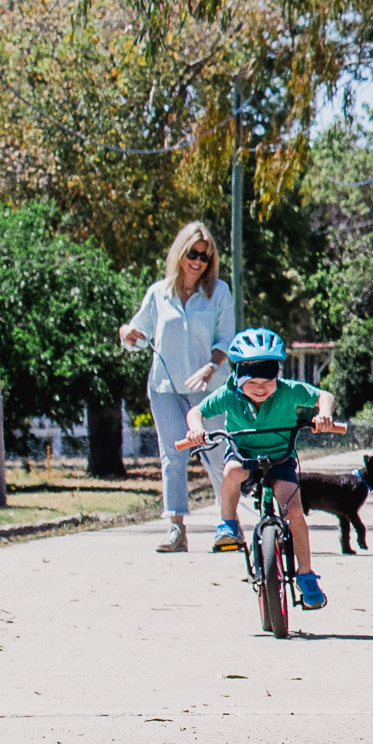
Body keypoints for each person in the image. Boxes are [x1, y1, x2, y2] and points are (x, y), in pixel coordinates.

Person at [181, 328, 346, 607]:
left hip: (280, 457)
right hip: (243, 455)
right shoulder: (228, 394)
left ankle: (306, 576)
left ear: (277, 376)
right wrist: (196, 429)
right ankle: (228, 524)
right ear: (237, 378)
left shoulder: (288, 391)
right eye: (252, 382)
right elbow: (196, 411)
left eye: (267, 382)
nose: (260, 388)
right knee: (232, 472)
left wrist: (324, 414)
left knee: (293, 510)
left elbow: (324, 396)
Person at [120, 221, 233, 552]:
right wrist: (127, 334)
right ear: (179, 254)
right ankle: (176, 529)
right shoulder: (159, 293)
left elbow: (227, 338)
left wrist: (211, 367)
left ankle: (228, 525)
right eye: (192, 254)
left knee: (216, 453)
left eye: (204, 257)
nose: (197, 262)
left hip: (208, 390)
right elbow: (138, 334)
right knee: (173, 456)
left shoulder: (219, 292)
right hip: (165, 388)